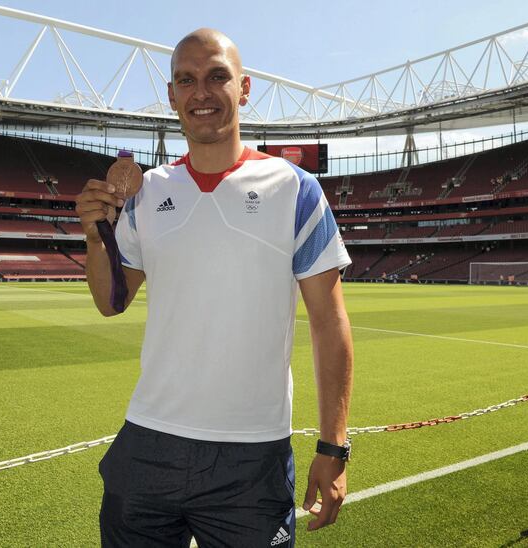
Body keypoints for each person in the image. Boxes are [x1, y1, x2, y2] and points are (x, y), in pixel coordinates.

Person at [76, 28, 353, 548]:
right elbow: (111, 301)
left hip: (251, 456)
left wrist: (333, 446)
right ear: (172, 95)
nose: (200, 92)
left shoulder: (295, 188)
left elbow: (329, 321)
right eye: (186, 80)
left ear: (244, 89)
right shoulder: (145, 191)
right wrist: (97, 238)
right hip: (148, 441)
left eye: (216, 77)